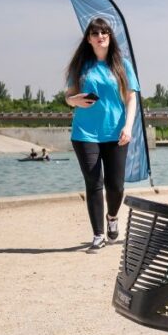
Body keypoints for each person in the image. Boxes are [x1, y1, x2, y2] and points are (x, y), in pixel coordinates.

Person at [64, 16, 140, 253]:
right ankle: (98, 234)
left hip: (116, 133)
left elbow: (131, 98)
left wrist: (128, 127)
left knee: (115, 185)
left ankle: (112, 216)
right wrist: (74, 100)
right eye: (96, 33)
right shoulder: (80, 66)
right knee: (94, 182)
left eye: (104, 32)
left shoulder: (122, 65)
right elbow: (69, 97)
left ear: (109, 37)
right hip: (85, 133)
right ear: (88, 39)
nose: (100, 36)